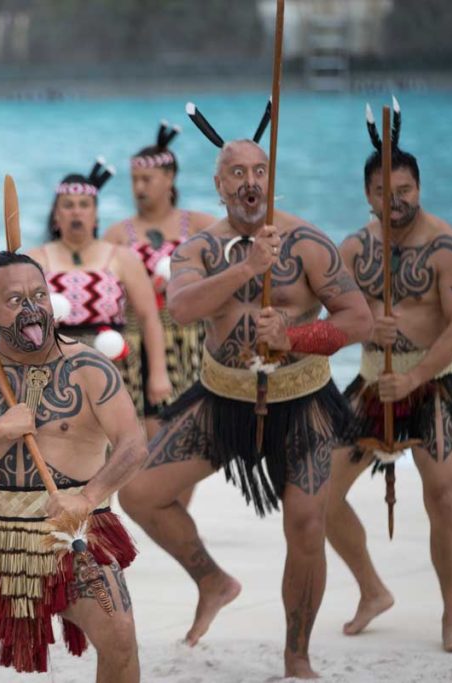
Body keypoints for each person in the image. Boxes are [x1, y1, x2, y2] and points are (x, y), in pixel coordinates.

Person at [119, 101, 372, 679]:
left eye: (258, 172)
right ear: (218, 183)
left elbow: (357, 320)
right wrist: (245, 269)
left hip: (301, 401)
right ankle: (212, 579)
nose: (250, 182)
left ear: (270, 178)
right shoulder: (200, 249)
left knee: (307, 523)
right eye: (237, 173)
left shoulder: (308, 243)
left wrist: (295, 334)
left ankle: (297, 656)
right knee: (139, 495)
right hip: (222, 399)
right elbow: (181, 308)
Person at [0, 250, 145, 682]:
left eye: (39, 294)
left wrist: (88, 497)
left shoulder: (89, 368)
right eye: (15, 300)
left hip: (75, 534)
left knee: (121, 639)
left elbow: (133, 446)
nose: (32, 306)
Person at [328, 102, 452, 653]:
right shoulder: (350, 250)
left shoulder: (449, 248)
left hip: (436, 381)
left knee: (442, 496)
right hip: (372, 383)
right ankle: (372, 590)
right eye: (384, 191)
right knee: (319, 494)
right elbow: (333, 324)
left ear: (419, 187)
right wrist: (365, 325)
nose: (396, 200)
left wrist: (414, 375)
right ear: (368, 195)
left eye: (406, 189)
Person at [25, 158, 172, 420]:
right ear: (56, 215)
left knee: (119, 446)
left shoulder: (122, 257)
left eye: (84, 205)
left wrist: (158, 374)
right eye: (68, 206)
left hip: (114, 365)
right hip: (53, 369)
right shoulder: (34, 259)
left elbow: (149, 318)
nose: (76, 212)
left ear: (95, 215)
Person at [105, 121, 216, 440]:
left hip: (191, 339)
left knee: (192, 435)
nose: (139, 187)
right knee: (141, 435)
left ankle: (177, 492)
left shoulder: (199, 225)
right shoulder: (117, 234)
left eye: (146, 179)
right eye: (134, 180)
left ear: (169, 178)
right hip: (134, 340)